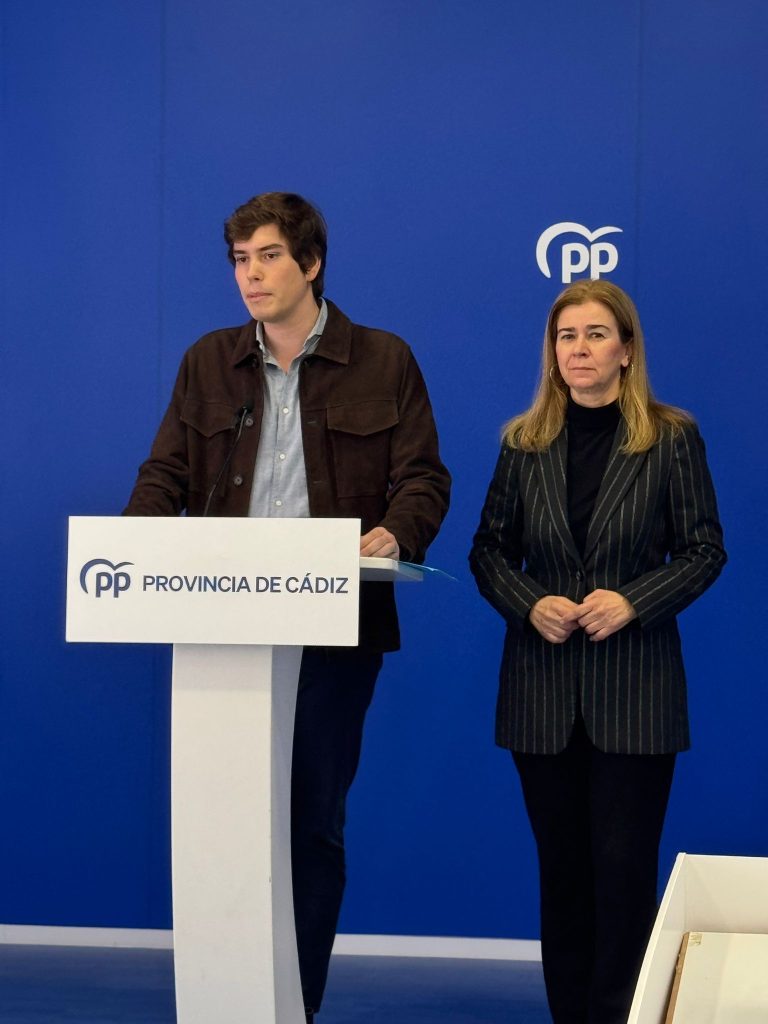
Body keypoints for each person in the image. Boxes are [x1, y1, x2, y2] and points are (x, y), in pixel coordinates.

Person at [124, 191, 450, 1021]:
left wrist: (397, 531)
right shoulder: (208, 361)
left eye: (268, 256)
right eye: (240, 259)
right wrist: (134, 542)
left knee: (309, 821)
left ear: (311, 263)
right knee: (224, 823)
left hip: (335, 626)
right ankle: (226, 997)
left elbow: (423, 478)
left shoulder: (383, 359)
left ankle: (292, 1003)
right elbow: (166, 474)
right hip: (222, 624)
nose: (251, 274)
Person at [469, 279, 725, 1024]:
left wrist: (633, 600)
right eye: (566, 336)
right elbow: (488, 552)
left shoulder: (671, 439)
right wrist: (530, 603)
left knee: (623, 876)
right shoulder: (523, 444)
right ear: (552, 352)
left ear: (627, 350)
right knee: (563, 876)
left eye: (595, 335)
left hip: (634, 693)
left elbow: (705, 551)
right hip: (541, 695)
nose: (578, 349)